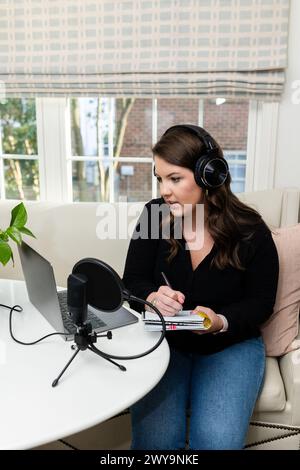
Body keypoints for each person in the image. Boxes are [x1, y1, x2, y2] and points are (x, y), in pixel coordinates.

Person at [122, 124, 279, 450]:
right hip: (166, 345)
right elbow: (132, 282)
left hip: (230, 347)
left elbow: (261, 302)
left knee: (216, 442)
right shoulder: (155, 214)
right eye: (160, 178)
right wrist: (151, 296)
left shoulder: (250, 229)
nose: (165, 189)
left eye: (175, 178)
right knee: (156, 444)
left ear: (209, 175)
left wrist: (220, 321)